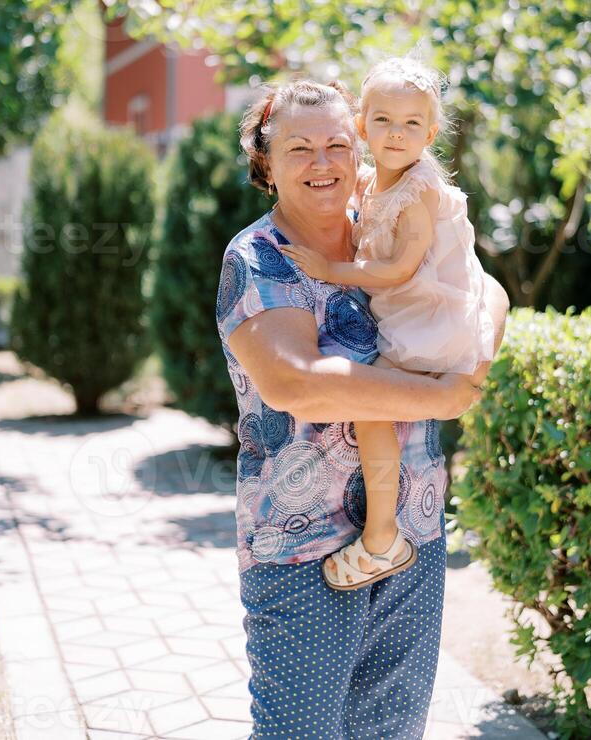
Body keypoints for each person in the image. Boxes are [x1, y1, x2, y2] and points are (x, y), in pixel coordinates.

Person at [216, 77, 509, 739]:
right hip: (300, 547)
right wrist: (439, 395)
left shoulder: (388, 222)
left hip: (412, 532)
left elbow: (488, 294)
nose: (323, 163)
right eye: (299, 149)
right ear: (267, 162)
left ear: (360, 150)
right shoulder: (258, 259)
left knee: (392, 732)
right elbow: (297, 383)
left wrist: (472, 372)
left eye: (337, 145)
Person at [281, 53, 496, 591]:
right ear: (361, 126)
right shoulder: (375, 180)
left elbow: (400, 268)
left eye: (411, 124)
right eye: (382, 121)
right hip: (413, 314)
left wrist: (333, 269)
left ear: (432, 132)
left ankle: (382, 536)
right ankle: (387, 527)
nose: (396, 134)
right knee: (381, 409)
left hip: (427, 319)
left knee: (370, 410)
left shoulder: (419, 190)